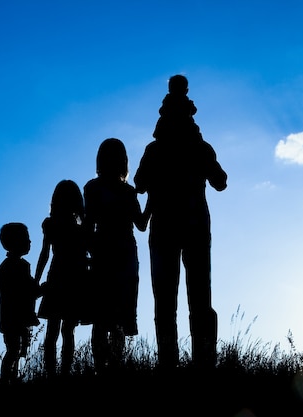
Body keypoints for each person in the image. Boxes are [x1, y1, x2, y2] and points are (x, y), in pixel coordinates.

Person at [133, 75, 228, 370]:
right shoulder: (199, 147)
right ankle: (204, 361)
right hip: (195, 223)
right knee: (199, 295)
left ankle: (169, 363)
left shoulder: (155, 149)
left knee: (165, 298)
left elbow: (139, 183)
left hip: (164, 226)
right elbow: (221, 182)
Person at [82, 138, 148, 374]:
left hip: (104, 253)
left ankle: (102, 367)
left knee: (103, 316)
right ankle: (114, 367)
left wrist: (89, 253)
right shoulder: (127, 191)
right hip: (123, 254)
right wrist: (151, 199)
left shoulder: (92, 188)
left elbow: (88, 226)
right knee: (117, 315)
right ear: (124, 161)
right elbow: (141, 224)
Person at [34, 179, 89, 377]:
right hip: (75, 279)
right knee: (68, 330)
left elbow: (44, 254)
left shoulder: (51, 224)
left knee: (53, 330)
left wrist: (36, 279)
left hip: (57, 277)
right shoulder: (81, 229)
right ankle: (64, 372)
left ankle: (52, 374)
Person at [0, 222, 42, 384]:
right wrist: (44, 288)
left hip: (10, 317)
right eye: (26, 239)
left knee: (15, 349)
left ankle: (10, 379)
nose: (30, 243)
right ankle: (7, 380)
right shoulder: (18, 266)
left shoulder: (7, 266)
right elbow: (28, 291)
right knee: (14, 350)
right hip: (16, 317)